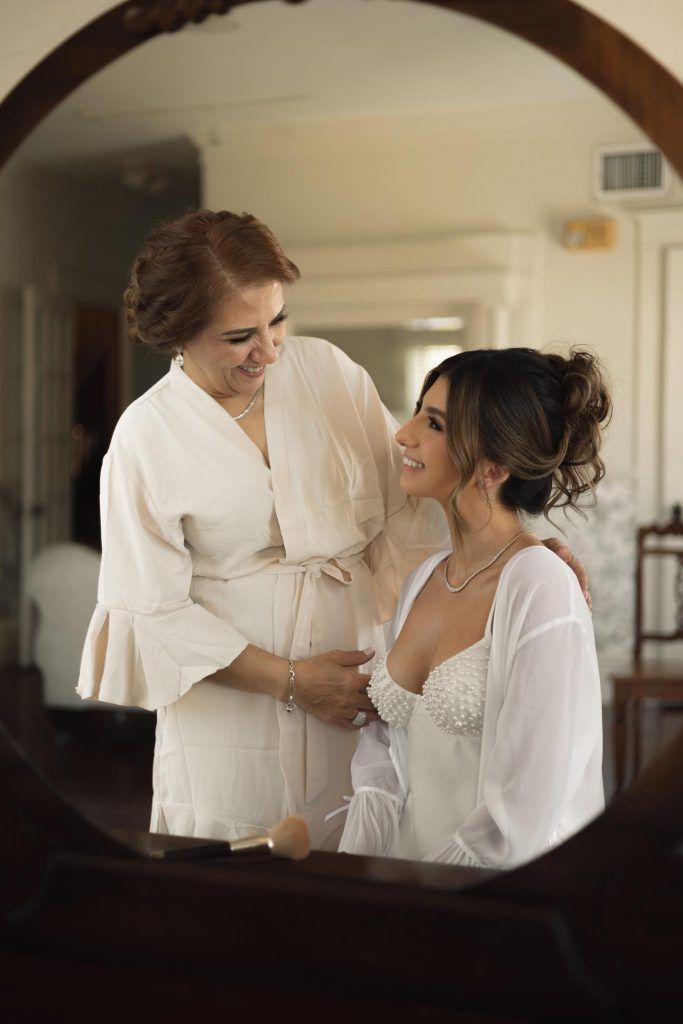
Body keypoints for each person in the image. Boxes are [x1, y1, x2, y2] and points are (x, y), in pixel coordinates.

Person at [77, 209, 587, 851]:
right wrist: (291, 680)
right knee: (234, 882)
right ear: (178, 334)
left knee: (353, 859)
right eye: (239, 336)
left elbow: (429, 492)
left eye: (278, 321)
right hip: (229, 718)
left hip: (357, 692)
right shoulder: (144, 438)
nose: (268, 351)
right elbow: (149, 610)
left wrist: (518, 561)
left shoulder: (328, 376)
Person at [339, 347, 610, 867]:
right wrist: (356, 881)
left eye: (434, 424)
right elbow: (380, 770)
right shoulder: (424, 579)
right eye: (419, 411)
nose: (404, 433)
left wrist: (435, 907)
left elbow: (523, 811)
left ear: (493, 467)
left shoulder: (541, 585)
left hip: (492, 906)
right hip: (406, 891)